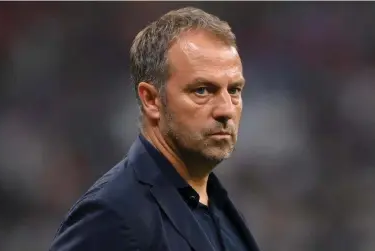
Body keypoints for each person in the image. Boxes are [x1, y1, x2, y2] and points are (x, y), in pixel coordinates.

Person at [50, 6, 261, 251]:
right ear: (151, 100)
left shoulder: (222, 211)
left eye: (234, 90)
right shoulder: (113, 215)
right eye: (202, 90)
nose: (225, 109)